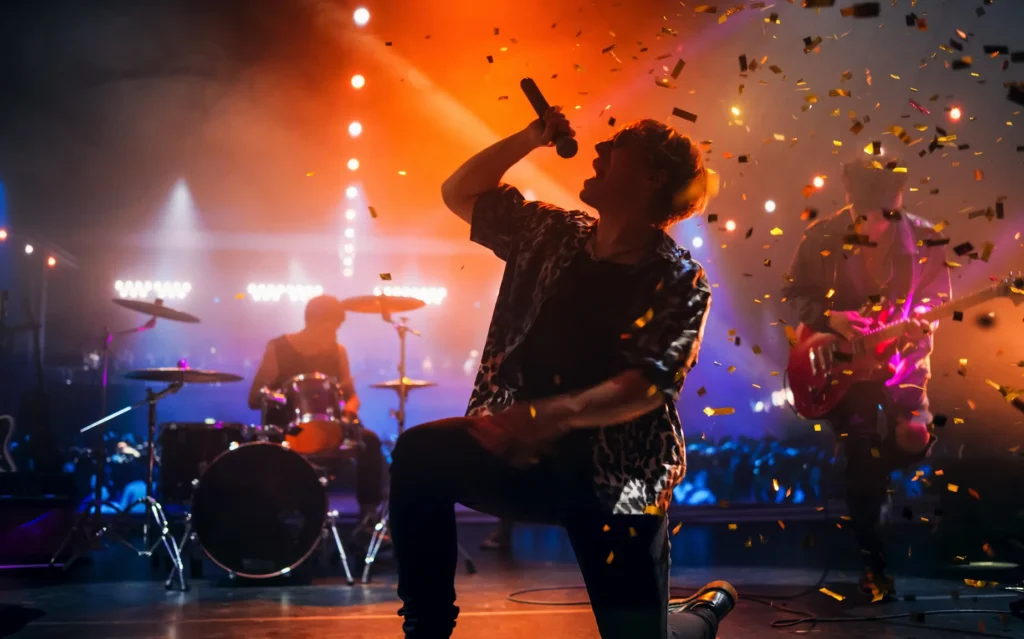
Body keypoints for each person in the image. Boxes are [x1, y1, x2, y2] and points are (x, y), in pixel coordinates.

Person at [389, 108, 736, 639]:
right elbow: (459, 192)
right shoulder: (550, 232)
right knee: (419, 455)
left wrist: (550, 415)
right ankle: (426, 628)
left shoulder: (680, 279)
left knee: (643, 638)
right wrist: (531, 138)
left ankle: (703, 614)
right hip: (522, 454)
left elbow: (649, 383)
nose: (597, 151)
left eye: (617, 145)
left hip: (619, 480)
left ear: (653, 177)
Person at [782, 156, 951, 600]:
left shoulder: (929, 238)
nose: (876, 227)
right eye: (865, 218)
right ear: (850, 202)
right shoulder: (820, 235)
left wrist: (923, 324)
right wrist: (831, 317)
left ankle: (871, 477)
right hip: (841, 368)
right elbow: (794, 294)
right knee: (861, 454)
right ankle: (875, 569)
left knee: (915, 439)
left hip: (903, 362)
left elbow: (936, 298)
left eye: (887, 218)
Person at [248, 295, 384, 525]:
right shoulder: (279, 348)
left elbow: (351, 395)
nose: (335, 333)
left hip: (332, 429)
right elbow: (254, 398)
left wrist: (350, 409)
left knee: (369, 442)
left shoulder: (337, 351)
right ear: (312, 322)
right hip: (292, 431)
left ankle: (367, 522)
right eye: (331, 327)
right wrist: (278, 398)